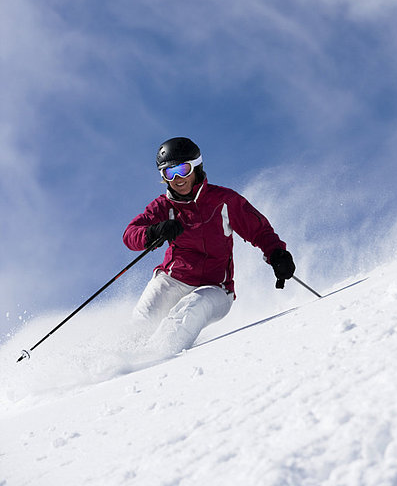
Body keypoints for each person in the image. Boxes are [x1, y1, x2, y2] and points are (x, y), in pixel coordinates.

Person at [123, 137, 295, 357]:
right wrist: (153, 232)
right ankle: (125, 363)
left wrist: (277, 254)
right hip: (172, 280)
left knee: (192, 308)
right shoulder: (163, 207)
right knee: (143, 322)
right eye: (169, 173)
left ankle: (152, 361)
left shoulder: (223, 200)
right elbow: (130, 235)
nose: (177, 179)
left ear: (196, 167)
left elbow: (259, 231)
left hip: (215, 288)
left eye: (183, 169)